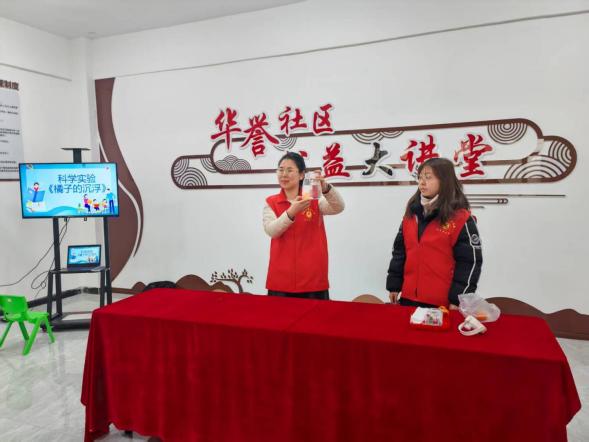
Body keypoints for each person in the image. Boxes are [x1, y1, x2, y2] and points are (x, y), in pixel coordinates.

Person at [386, 157, 482, 308]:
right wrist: (394, 285)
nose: (422, 183)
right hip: (408, 298)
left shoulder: (460, 218)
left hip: (442, 303)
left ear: (444, 181)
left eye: (428, 177)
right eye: (420, 177)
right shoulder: (411, 214)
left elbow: (469, 263)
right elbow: (399, 252)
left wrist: (458, 299)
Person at [263, 152, 344, 300]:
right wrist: (291, 212)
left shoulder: (313, 199)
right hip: (281, 279)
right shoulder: (271, 202)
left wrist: (326, 188)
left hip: (313, 279)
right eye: (281, 170)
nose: (284, 174)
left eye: (289, 170)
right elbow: (272, 231)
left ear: (301, 175)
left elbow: (338, 207)